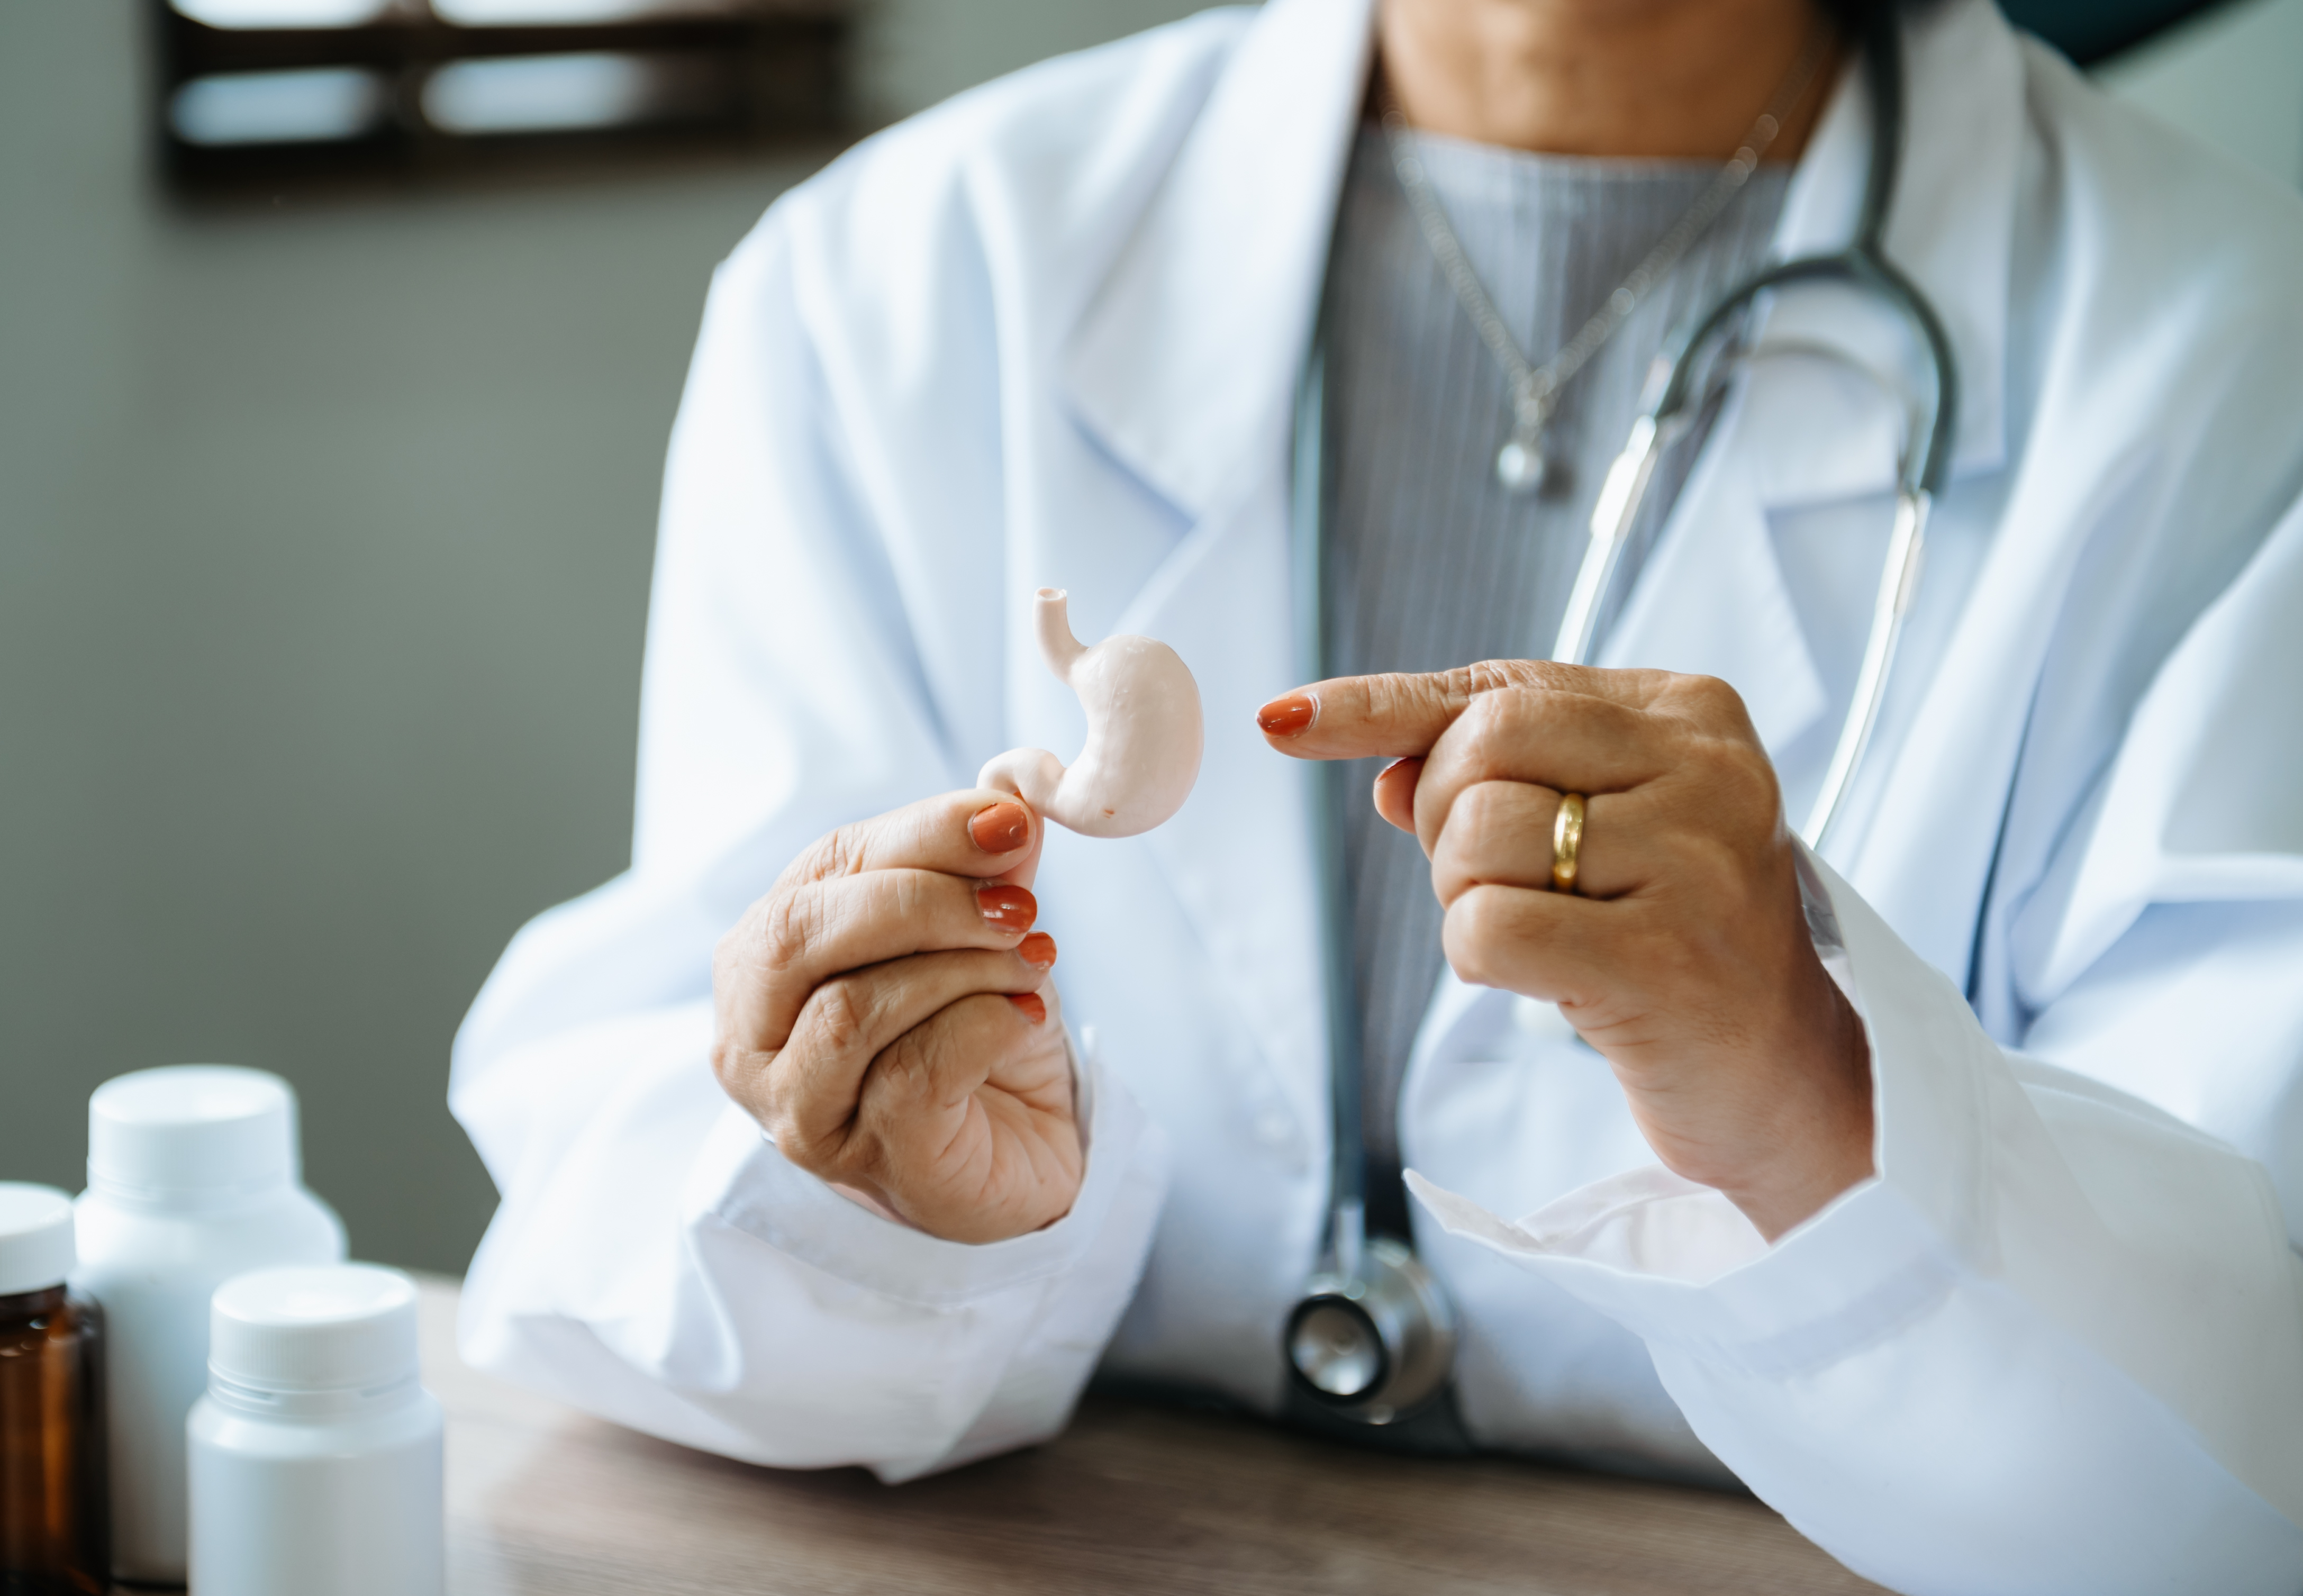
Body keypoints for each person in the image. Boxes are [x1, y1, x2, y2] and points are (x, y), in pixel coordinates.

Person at [447, 0, 2303, 1588]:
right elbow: (626, 1177)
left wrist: (1813, 1086)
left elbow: (2247, 1413)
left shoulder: (2234, 363)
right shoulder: (895, 284)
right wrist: (886, 1205)